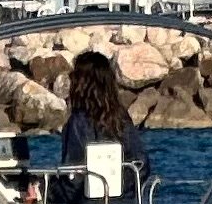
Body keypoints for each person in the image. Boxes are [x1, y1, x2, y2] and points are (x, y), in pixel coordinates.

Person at [60, 46, 148, 185]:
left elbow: (72, 175)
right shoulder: (121, 117)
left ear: (80, 84)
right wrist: (124, 189)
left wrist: (46, 187)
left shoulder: (77, 122)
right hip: (127, 203)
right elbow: (142, 165)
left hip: (88, 203)